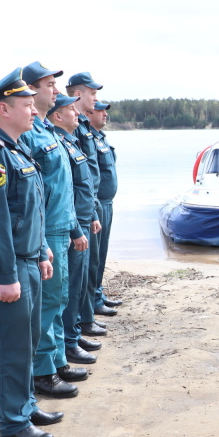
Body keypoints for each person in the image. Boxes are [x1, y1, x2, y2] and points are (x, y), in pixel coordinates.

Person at [0, 68, 58, 437]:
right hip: (7, 266)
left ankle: (26, 404)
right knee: (11, 345)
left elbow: (29, 209)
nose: (34, 111)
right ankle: (15, 422)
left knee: (28, 340)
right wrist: (6, 275)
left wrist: (43, 251)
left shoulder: (16, 148)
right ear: (4, 109)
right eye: (27, 104)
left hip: (27, 260)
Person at [21, 62, 89, 394]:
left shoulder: (48, 130)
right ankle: (42, 373)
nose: (57, 91)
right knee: (47, 304)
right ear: (32, 90)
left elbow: (62, 189)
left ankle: (58, 360)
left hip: (63, 227)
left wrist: (75, 227)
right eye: (50, 85)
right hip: (47, 231)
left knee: (59, 299)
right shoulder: (29, 133)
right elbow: (32, 194)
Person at [48, 94, 102, 364]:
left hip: (79, 221)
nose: (77, 114)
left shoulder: (69, 141)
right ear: (57, 116)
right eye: (71, 109)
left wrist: (90, 214)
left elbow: (83, 184)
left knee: (76, 285)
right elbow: (63, 193)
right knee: (66, 290)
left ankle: (73, 333)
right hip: (70, 227)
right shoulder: (56, 143)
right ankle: (68, 342)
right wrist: (75, 228)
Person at [66, 72, 111, 341]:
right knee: (78, 275)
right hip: (82, 211)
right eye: (93, 93)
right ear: (79, 94)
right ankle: (79, 325)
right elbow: (75, 179)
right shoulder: (76, 129)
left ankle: (84, 319)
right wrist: (92, 210)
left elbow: (89, 174)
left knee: (88, 269)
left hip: (91, 208)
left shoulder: (83, 127)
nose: (96, 99)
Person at [87, 100, 121, 316]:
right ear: (89, 114)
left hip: (107, 203)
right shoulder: (87, 138)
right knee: (94, 256)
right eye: (100, 110)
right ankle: (93, 300)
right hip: (97, 205)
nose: (104, 114)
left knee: (102, 253)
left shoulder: (100, 138)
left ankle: (97, 293)